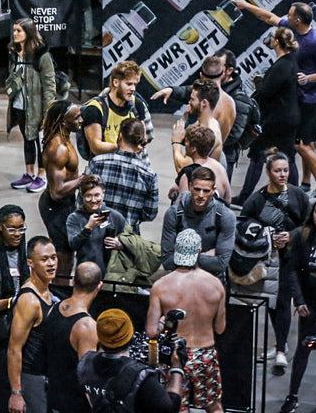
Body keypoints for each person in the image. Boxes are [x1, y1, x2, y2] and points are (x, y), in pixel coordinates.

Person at [231, 0, 316, 190]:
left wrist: (309, 78)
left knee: (304, 146)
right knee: (297, 147)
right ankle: (304, 185)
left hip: (310, 100)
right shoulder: (291, 27)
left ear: (298, 20)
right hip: (294, 97)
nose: (285, 17)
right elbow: (268, 17)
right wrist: (246, 6)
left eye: (289, 14)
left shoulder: (315, 42)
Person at [239, 150, 310, 377]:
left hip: (291, 259)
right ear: (268, 172)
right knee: (271, 302)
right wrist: (265, 235)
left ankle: (280, 350)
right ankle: (282, 342)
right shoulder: (257, 198)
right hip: (268, 259)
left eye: (286, 170)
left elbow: (310, 225)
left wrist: (292, 236)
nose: (283, 175)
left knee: (283, 301)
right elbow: (244, 222)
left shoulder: (298, 195)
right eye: (278, 170)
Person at [148, 229, 227, 413]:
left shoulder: (161, 286)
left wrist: (163, 321)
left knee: (178, 407)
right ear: (199, 251)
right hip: (206, 353)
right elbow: (220, 328)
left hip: (176, 356)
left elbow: (152, 331)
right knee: (214, 405)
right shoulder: (216, 284)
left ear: (177, 250)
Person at [77, 309, 186, 413]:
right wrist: (177, 368)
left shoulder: (85, 363)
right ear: (130, 336)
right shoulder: (141, 377)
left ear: (100, 336)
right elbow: (169, 408)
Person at [240, 27, 301, 201]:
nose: (270, 40)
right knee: (288, 157)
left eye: (272, 37)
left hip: (276, 120)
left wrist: (258, 81)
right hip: (287, 118)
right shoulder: (290, 62)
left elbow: (266, 92)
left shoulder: (282, 65)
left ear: (277, 42)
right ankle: (296, 197)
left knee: (257, 155)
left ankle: (244, 196)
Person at [6, 236, 59, 413]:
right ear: (30, 262)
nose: (51, 263)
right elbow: (14, 348)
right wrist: (16, 393)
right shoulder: (29, 300)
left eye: (53, 257)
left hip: (46, 376)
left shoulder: (47, 292)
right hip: (32, 378)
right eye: (44, 259)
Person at [44, 263, 103, 413]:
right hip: (73, 404)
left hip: (52, 398)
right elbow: (88, 378)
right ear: (99, 286)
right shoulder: (87, 327)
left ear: (73, 281)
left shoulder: (54, 309)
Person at [160, 166, 236, 280]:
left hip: (211, 281)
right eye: (197, 189)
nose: (201, 195)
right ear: (190, 186)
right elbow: (167, 261)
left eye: (206, 191)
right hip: (180, 280)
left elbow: (221, 263)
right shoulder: (174, 213)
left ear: (213, 190)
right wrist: (206, 256)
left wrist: (182, 255)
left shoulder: (225, 216)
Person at [281, 196, 316, 412]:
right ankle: (292, 395)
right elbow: (293, 270)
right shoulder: (304, 236)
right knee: (304, 348)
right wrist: (299, 300)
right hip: (310, 303)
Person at [7, 18, 57, 192]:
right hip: (19, 106)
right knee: (27, 139)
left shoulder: (41, 55)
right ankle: (28, 174)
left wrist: (48, 112)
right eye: (14, 30)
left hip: (37, 107)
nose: (15, 34)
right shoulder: (14, 53)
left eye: (19, 31)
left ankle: (41, 176)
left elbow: (49, 85)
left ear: (29, 32)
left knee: (39, 142)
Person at [39, 101, 84, 286]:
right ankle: (59, 295)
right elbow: (56, 191)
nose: (81, 120)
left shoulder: (65, 137)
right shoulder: (59, 148)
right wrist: (83, 179)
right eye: (76, 118)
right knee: (64, 258)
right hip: (56, 206)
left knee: (66, 255)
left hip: (64, 203)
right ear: (64, 122)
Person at [87, 118, 160, 232]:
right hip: (127, 239)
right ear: (140, 141)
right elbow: (150, 213)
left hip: (97, 234)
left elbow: (83, 200)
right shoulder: (148, 174)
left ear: (120, 135)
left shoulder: (97, 163)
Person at [79, 60, 154, 158]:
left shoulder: (137, 104)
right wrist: (124, 146)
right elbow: (96, 147)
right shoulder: (95, 109)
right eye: (129, 84)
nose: (133, 89)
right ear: (115, 82)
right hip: (105, 166)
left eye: (135, 84)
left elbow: (144, 137)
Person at [66, 175, 126, 276]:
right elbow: (73, 245)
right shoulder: (74, 218)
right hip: (86, 274)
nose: (93, 200)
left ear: (103, 194)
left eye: (97, 195)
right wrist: (88, 228)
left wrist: (121, 244)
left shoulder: (116, 217)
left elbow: (131, 243)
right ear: (82, 196)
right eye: (88, 196)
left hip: (111, 275)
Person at [170, 124, 230, 204]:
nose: (185, 145)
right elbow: (228, 200)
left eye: (186, 142)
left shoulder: (190, 173)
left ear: (193, 148)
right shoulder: (220, 168)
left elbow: (181, 205)